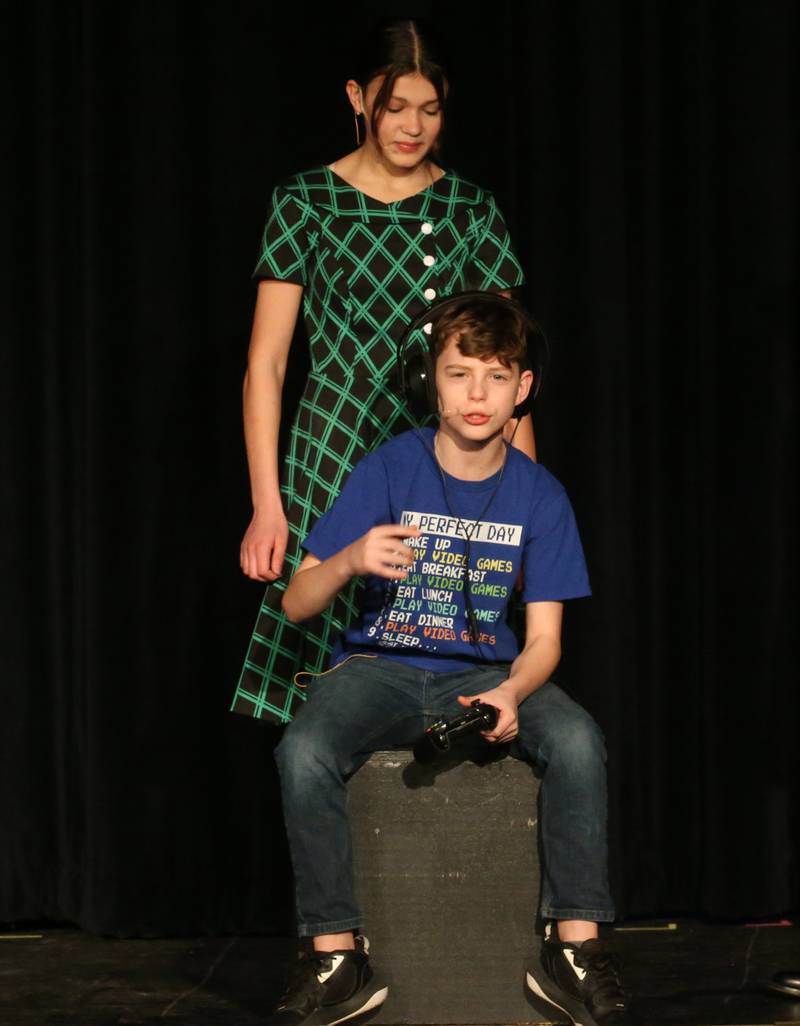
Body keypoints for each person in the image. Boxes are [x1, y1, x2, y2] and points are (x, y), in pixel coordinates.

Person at [267, 293, 629, 1026]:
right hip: (382, 668)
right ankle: (337, 956)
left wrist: (515, 694)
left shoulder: (540, 495)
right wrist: (348, 560)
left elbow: (546, 641)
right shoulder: (388, 468)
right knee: (302, 748)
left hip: (485, 674)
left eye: (496, 377)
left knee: (579, 741)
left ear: (522, 389)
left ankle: (575, 949)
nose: (476, 394)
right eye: (460, 374)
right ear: (432, 380)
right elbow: (295, 602)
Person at [231, 18, 533, 726]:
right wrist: (267, 503)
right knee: (317, 673)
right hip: (331, 443)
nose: (411, 126)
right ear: (357, 98)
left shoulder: (469, 210)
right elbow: (265, 364)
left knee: (437, 659)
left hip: (441, 450)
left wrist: (520, 511)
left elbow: (507, 370)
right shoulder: (307, 200)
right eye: (395, 106)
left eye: (429, 109)